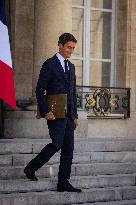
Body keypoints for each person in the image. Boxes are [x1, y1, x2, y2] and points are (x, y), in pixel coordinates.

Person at [24, 33, 81, 193]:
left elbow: (72, 91)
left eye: (73, 48)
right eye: (69, 47)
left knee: (68, 149)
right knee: (56, 144)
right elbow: (39, 90)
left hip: (69, 115)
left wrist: (75, 115)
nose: (71, 50)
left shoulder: (71, 66)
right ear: (60, 45)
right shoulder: (49, 64)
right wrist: (46, 110)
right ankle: (31, 167)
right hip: (54, 114)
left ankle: (63, 182)